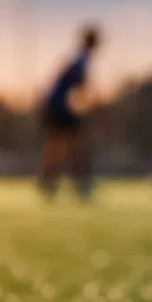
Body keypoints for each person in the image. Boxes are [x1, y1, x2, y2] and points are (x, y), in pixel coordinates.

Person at [38, 25, 101, 201]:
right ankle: (80, 184)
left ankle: (50, 183)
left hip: (57, 106)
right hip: (59, 107)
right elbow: (81, 89)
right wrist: (95, 106)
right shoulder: (81, 60)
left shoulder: (78, 58)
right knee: (73, 146)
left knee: (61, 146)